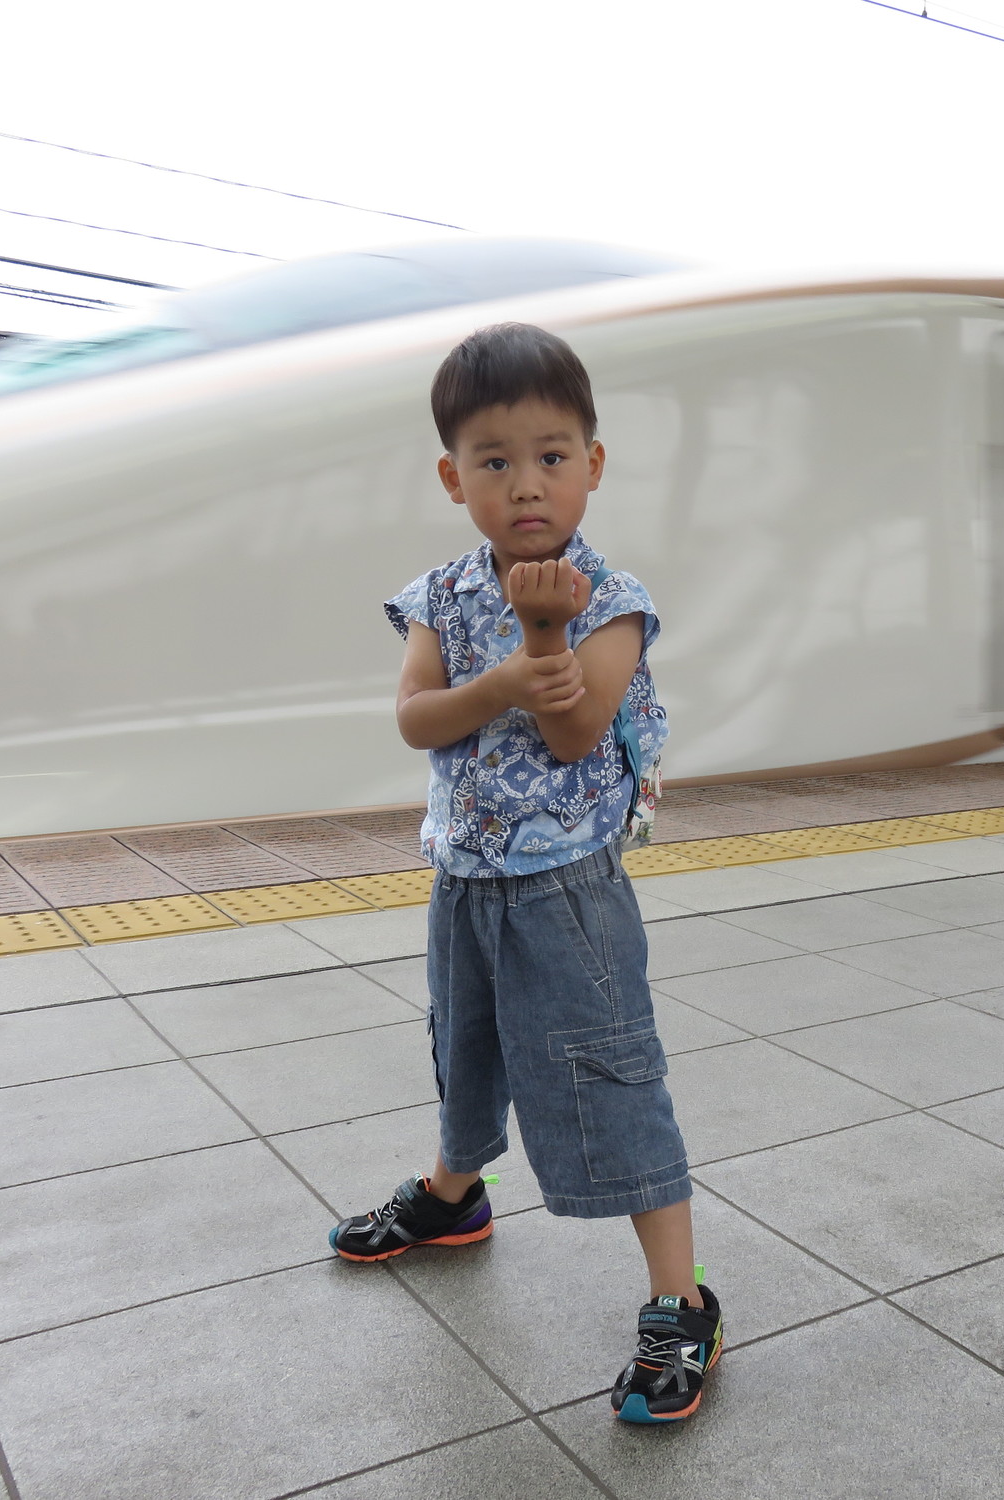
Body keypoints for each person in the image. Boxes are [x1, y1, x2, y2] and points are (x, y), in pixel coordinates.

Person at [328, 321, 720, 1424]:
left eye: (551, 457)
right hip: (462, 881)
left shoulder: (610, 601)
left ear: (592, 465)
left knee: (608, 1071)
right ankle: (455, 1198)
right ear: (455, 478)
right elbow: (415, 720)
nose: (526, 484)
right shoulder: (441, 592)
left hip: (569, 893)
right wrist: (499, 674)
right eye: (494, 462)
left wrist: (542, 640)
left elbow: (572, 731)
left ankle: (680, 1300)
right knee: (463, 1048)